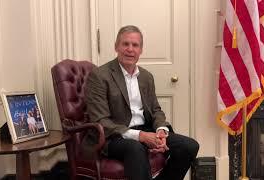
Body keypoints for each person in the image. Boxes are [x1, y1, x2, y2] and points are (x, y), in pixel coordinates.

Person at [85, 25, 199, 180]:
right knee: (136, 147)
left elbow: (156, 110)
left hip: (145, 129)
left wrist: (161, 130)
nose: (130, 49)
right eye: (125, 44)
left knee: (189, 146)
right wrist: (141, 136)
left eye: (135, 45)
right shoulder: (99, 76)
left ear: (141, 50)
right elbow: (101, 121)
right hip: (114, 136)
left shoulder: (146, 77)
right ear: (116, 46)